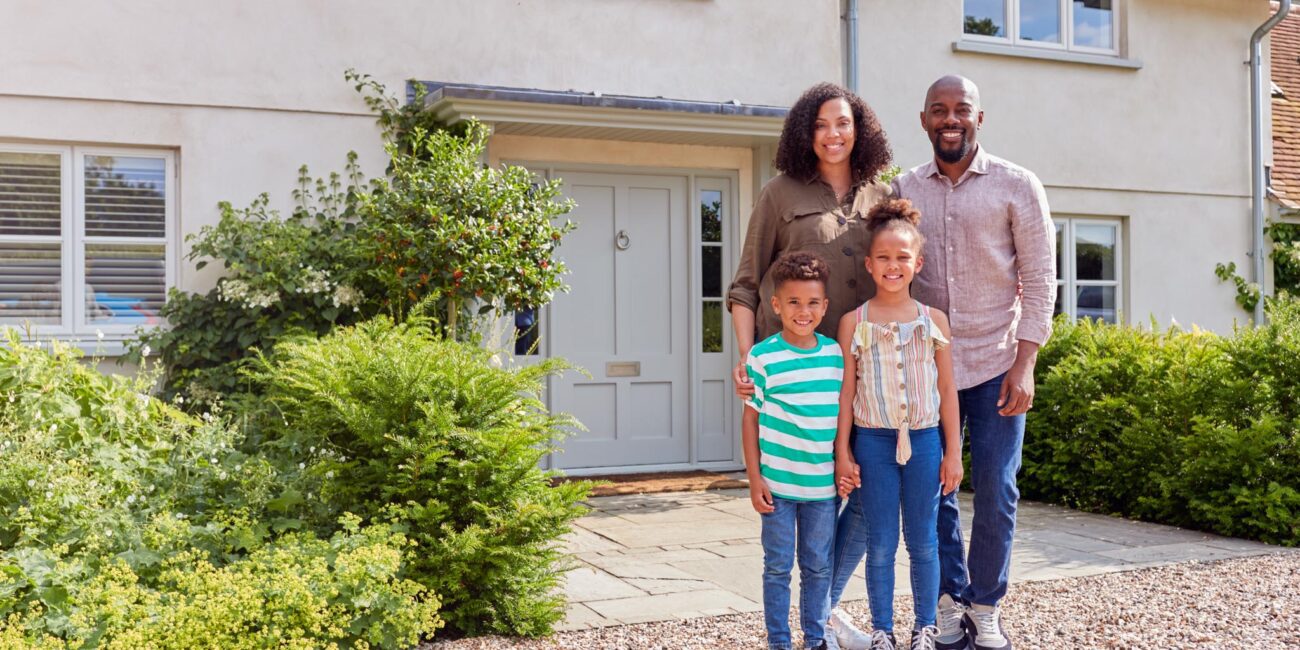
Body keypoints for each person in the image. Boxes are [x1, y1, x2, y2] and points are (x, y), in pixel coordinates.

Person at [892, 75, 1055, 650]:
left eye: (962, 109)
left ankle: (985, 606)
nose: (950, 118)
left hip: (996, 364)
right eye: (939, 110)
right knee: (930, 490)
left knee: (997, 488)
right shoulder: (904, 188)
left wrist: (1026, 361)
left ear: (979, 119)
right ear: (924, 120)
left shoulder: (1018, 185)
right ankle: (948, 598)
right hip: (926, 370)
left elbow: (1039, 281)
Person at [829, 199, 963, 650]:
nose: (893, 265)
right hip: (873, 444)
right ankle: (882, 630)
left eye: (902, 257)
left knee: (923, 541)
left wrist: (954, 452)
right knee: (882, 542)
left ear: (918, 263)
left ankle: (924, 628)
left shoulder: (933, 322)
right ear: (868, 264)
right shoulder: (855, 322)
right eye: (883, 257)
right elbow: (847, 393)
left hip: (925, 443)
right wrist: (843, 451)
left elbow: (947, 391)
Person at [727, 82, 893, 372]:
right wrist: (747, 356)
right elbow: (745, 286)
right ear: (806, 132)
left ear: (859, 130)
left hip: (868, 363)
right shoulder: (777, 193)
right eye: (820, 125)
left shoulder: (884, 196)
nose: (833, 134)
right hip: (792, 366)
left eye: (843, 123)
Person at [742, 252, 845, 650]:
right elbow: (750, 421)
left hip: (822, 490)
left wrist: (841, 465)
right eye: (794, 302)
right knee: (778, 567)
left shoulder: (835, 355)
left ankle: (816, 638)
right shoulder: (762, 357)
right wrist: (754, 479)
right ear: (776, 305)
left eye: (813, 302)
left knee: (818, 567)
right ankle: (779, 641)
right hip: (777, 487)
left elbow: (840, 420)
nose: (804, 311)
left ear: (825, 306)